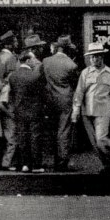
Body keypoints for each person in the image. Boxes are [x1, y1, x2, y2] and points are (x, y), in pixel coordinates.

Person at [72, 41, 110, 176]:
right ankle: (109, 166)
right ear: (90, 58)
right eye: (92, 56)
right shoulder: (85, 73)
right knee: (95, 145)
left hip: (103, 111)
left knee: (101, 141)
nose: (95, 59)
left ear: (102, 57)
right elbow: (79, 93)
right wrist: (76, 110)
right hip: (87, 112)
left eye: (98, 56)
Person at [41, 35, 79, 172]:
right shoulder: (72, 65)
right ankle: (62, 161)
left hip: (49, 100)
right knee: (63, 131)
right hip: (65, 100)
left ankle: (52, 159)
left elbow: (41, 80)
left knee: (51, 131)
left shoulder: (45, 61)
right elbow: (75, 84)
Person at [10, 50, 46, 173]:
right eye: (33, 59)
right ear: (28, 60)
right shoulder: (36, 76)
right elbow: (42, 94)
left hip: (19, 110)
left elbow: (13, 93)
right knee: (35, 137)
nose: (35, 61)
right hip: (35, 110)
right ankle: (36, 164)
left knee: (22, 137)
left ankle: (24, 163)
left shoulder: (13, 76)